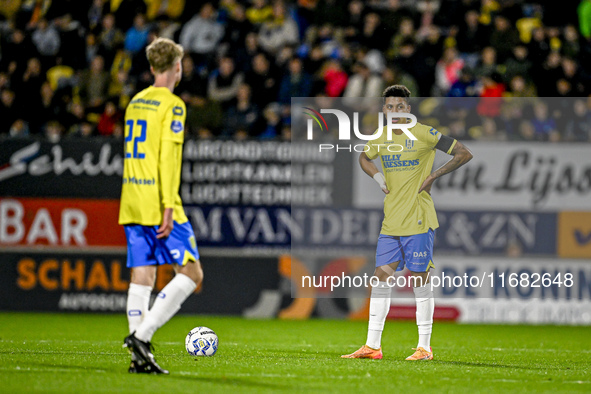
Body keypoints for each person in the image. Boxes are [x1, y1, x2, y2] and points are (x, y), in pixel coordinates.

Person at [341, 85, 473, 361]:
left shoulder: (424, 133)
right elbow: (364, 157)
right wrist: (377, 177)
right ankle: (372, 346)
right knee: (380, 279)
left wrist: (435, 175)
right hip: (392, 220)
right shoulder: (382, 137)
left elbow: (463, 153)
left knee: (419, 280)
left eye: (400, 106)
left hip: (418, 217)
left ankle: (424, 347)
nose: (395, 111)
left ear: (408, 110)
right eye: (390, 107)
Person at [119, 37, 203, 374]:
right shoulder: (173, 105)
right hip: (158, 201)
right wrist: (168, 206)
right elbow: (169, 159)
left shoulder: (136, 102)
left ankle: (138, 358)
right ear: (177, 67)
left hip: (132, 199)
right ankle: (143, 336)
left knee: (143, 275)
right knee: (192, 272)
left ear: (153, 67)